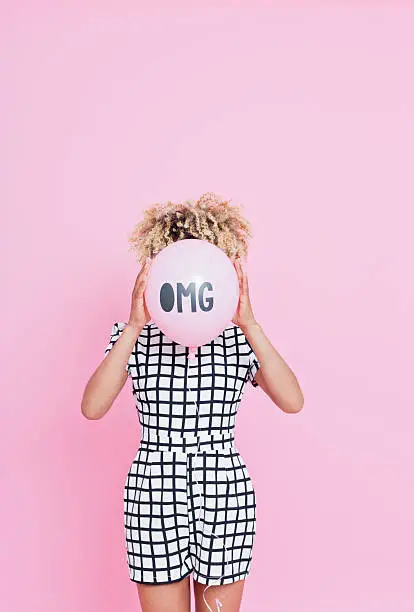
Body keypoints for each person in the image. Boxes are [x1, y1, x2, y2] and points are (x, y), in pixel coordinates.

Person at [81, 192, 304, 612]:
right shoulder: (137, 338)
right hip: (153, 491)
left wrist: (250, 322)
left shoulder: (239, 338)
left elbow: (292, 400)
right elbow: (92, 407)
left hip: (225, 491)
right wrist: (132, 325)